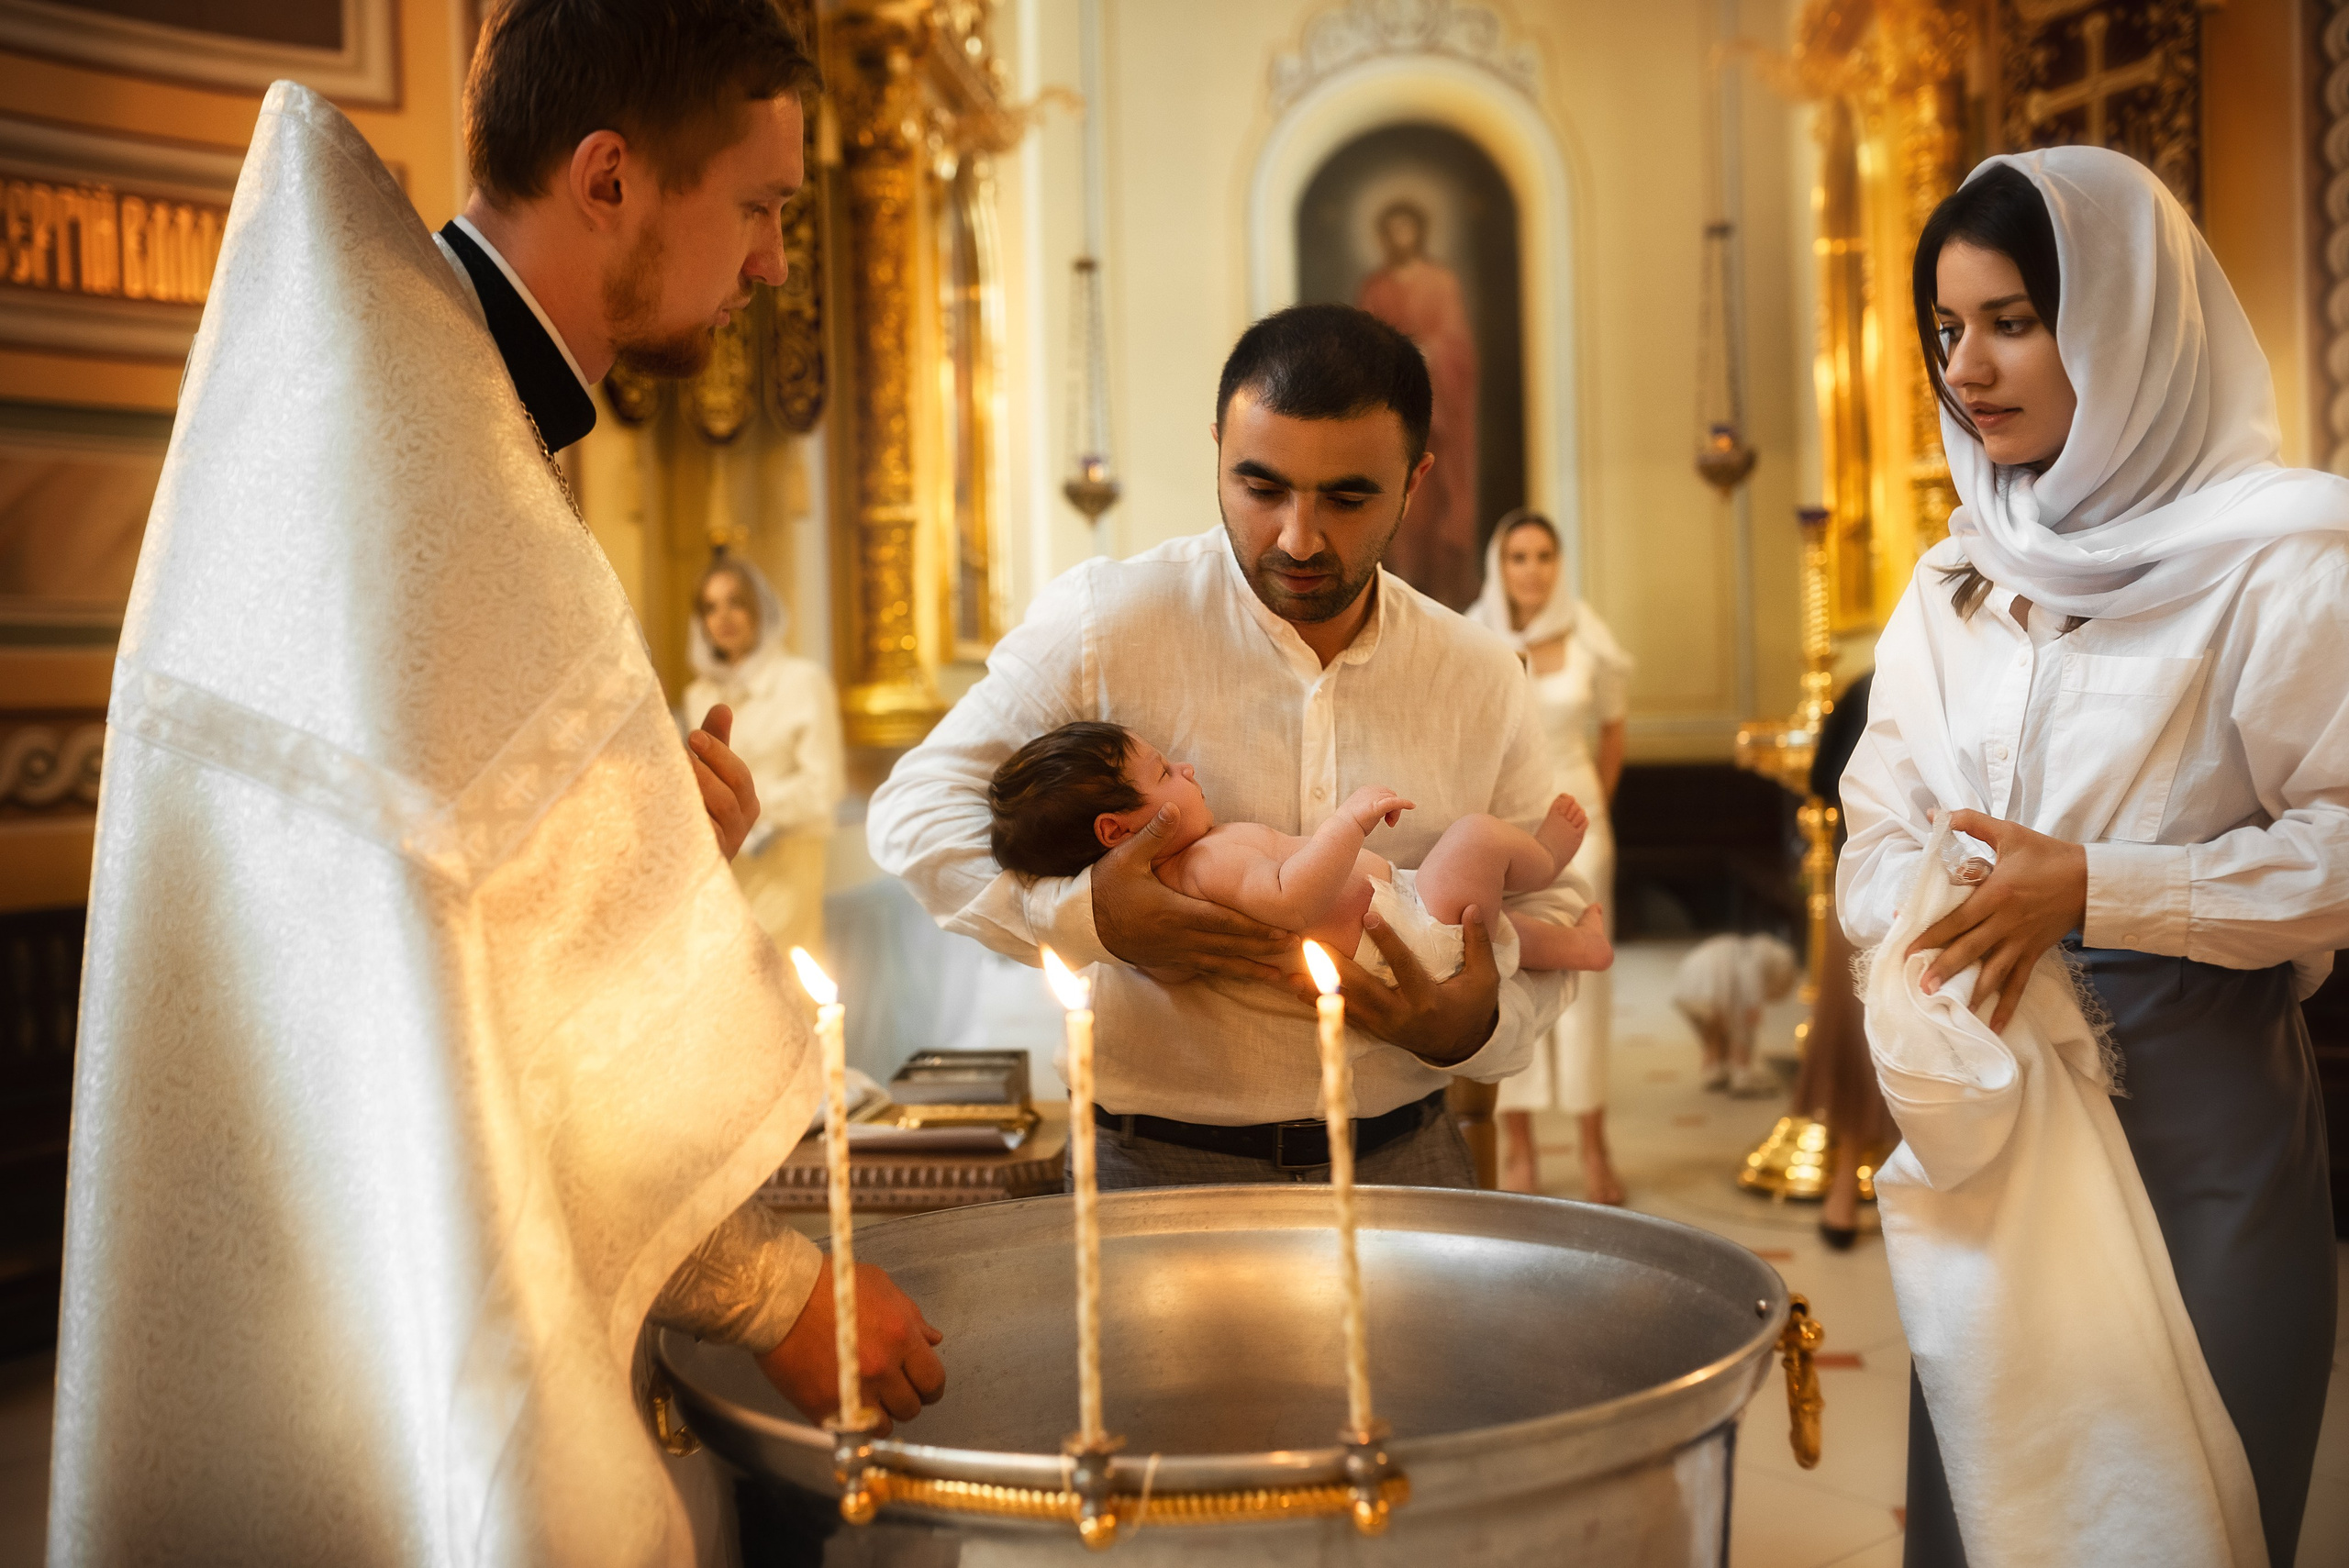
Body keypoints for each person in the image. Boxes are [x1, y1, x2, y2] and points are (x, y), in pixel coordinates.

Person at [50, 9, 941, 1562]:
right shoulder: (439, 460)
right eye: (761, 207)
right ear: (610, 180)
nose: (775, 265)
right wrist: (781, 1290)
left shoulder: (412, 399)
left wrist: (644, 833)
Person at [1841, 148, 2344, 1567]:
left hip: (2202, 1121)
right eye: (1948, 330)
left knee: (2182, 1515)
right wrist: (1929, 925)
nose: (1969, 368)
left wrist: (2099, 888)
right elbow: (1877, 821)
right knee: (2004, 1504)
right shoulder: (1953, 580)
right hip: (1999, 1113)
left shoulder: (2282, 560)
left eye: (2013, 320)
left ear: (2122, 322)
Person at [868, 304, 1587, 1191]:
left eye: (1347, 497)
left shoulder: (1478, 671)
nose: (1298, 537)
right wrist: (1092, 913)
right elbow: (915, 811)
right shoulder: (1108, 621)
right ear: (1218, 449)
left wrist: (1473, 1027)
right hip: (1154, 1164)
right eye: (1261, 487)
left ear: (1417, 478)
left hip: (1410, 1161)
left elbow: (1555, 910)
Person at [985, 720, 1609, 973]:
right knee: (1475, 837)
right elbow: (1290, 902)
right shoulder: (1202, 862)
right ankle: (1543, 859)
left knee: (1492, 924)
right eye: (1163, 774)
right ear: (1116, 831)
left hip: (1412, 919)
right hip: (1410, 934)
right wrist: (1350, 821)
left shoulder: (1191, 866)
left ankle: (1581, 947)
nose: (1188, 767)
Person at [1467, 508, 1634, 1200]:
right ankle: (1520, 1144)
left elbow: (1614, 734)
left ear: (1557, 565)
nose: (1531, 569)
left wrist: (1593, 805)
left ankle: (1594, 1145)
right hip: (1510, 825)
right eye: (1518, 557)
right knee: (1512, 966)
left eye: (1542, 556)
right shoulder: (1473, 637)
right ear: (1498, 566)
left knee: (1587, 977)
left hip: (1583, 825)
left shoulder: (1590, 637)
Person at [682, 551, 844, 961]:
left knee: (780, 972)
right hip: (725, 862)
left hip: (788, 860)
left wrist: (747, 804)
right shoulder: (698, 695)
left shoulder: (803, 681)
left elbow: (823, 788)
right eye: (711, 607)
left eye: (736, 602)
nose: (724, 616)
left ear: (759, 608)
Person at [1791, 671, 1898, 1250]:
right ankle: (1844, 1179)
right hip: (1865, 880)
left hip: (1955, 879)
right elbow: (1822, 781)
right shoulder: (1866, 688)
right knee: (1852, 1032)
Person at [1355, 200, 1481, 609]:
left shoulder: (1440, 282)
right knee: (1404, 519)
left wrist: (1430, 352)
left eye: (1408, 228)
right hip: (1393, 417)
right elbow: (1363, 350)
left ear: (1420, 232)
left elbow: (1458, 344)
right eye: (1394, 230)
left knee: (1441, 510)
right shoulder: (1376, 288)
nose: (1402, 237)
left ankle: (1443, 600)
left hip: (1441, 420)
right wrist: (1397, 356)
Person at [1671, 933, 1798, 1095]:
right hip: (1715, 982)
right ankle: (1741, 1073)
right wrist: (1753, 1005)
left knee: (1712, 1032)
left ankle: (1715, 1069)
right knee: (1741, 1026)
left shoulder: (1746, 946)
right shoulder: (1763, 953)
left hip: (1687, 982)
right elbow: (1749, 974)